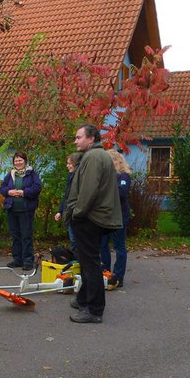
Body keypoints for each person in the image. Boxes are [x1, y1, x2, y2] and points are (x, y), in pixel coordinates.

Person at [63, 124, 122, 324]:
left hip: (90, 218)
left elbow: (88, 191)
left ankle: (94, 310)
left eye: (79, 137)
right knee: (88, 262)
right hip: (94, 217)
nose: (75, 140)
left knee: (91, 265)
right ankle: (83, 300)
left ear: (91, 138)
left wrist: (77, 214)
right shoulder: (95, 156)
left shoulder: (94, 157)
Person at [0, 151, 42, 270]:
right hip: (12, 209)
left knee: (26, 235)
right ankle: (17, 259)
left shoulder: (31, 173)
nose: (18, 163)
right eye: (16, 161)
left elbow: (37, 188)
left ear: (25, 161)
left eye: (20, 160)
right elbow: (2, 188)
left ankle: (28, 260)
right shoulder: (11, 174)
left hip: (26, 210)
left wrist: (24, 192)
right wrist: (9, 192)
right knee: (15, 235)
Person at [100, 149, 132, 289]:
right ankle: (105, 272)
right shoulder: (105, 177)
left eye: (109, 162)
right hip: (105, 216)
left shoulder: (124, 176)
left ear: (117, 161)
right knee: (102, 244)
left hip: (119, 216)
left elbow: (122, 194)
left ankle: (119, 276)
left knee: (119, 246)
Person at [54, 152, 82, 251]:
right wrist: (60, 211)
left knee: (77, 240)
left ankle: (80, 261)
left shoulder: (80, 178)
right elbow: (67, 196)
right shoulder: (70, 177)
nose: (68, 166)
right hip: (69, 212)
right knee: (73, 239)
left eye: (70, 163)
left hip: (77, 213)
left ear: (76, 164)